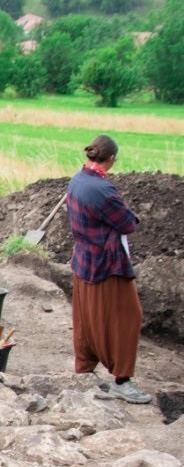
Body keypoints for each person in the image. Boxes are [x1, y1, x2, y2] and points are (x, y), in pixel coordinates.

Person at [66, 134, 150, 404]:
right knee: (128, 317)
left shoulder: (78, 180)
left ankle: (84, 370)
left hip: (83, 259)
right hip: (106, 263)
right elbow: (128, 224)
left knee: (86, 316)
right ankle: (122, 381)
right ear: (111, 158)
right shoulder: (102, 190)